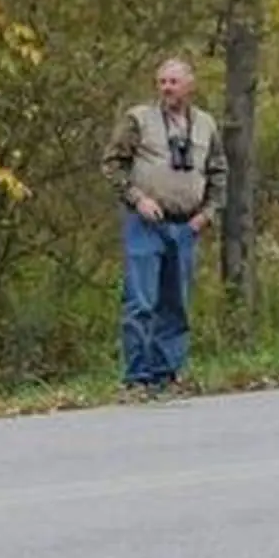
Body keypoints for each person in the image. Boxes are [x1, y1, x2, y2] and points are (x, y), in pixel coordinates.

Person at [100, 58, 227, 394]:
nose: (167, 88)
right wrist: (137, 199)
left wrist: (209, 212)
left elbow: (218, 172)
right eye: (162, 82)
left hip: (186, 225)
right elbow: (113, 164)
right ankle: (137, 377)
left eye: (173, 81)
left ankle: (167, 373)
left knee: (176, 303)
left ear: (189, 84)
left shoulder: (205, 125)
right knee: (141, 301)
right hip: (146, 223)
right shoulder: (138, 120)